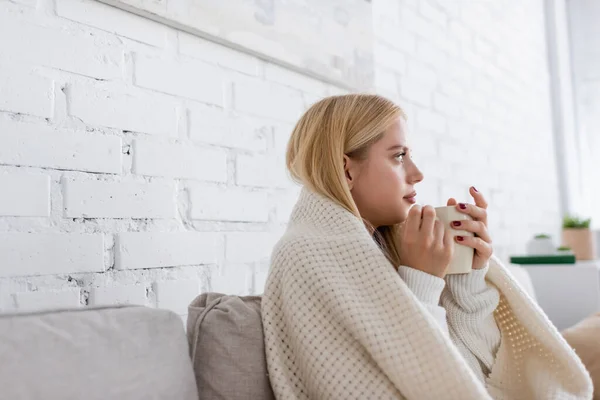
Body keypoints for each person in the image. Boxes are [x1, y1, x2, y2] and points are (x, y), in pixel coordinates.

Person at [261, 94, 592, 399]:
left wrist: (468, 277)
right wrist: (421, 280)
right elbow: (412, 385)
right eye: (399, 156)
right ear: (347, 170)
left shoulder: (386, 245)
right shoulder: (304, 255)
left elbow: (481, 370)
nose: (417, 174)